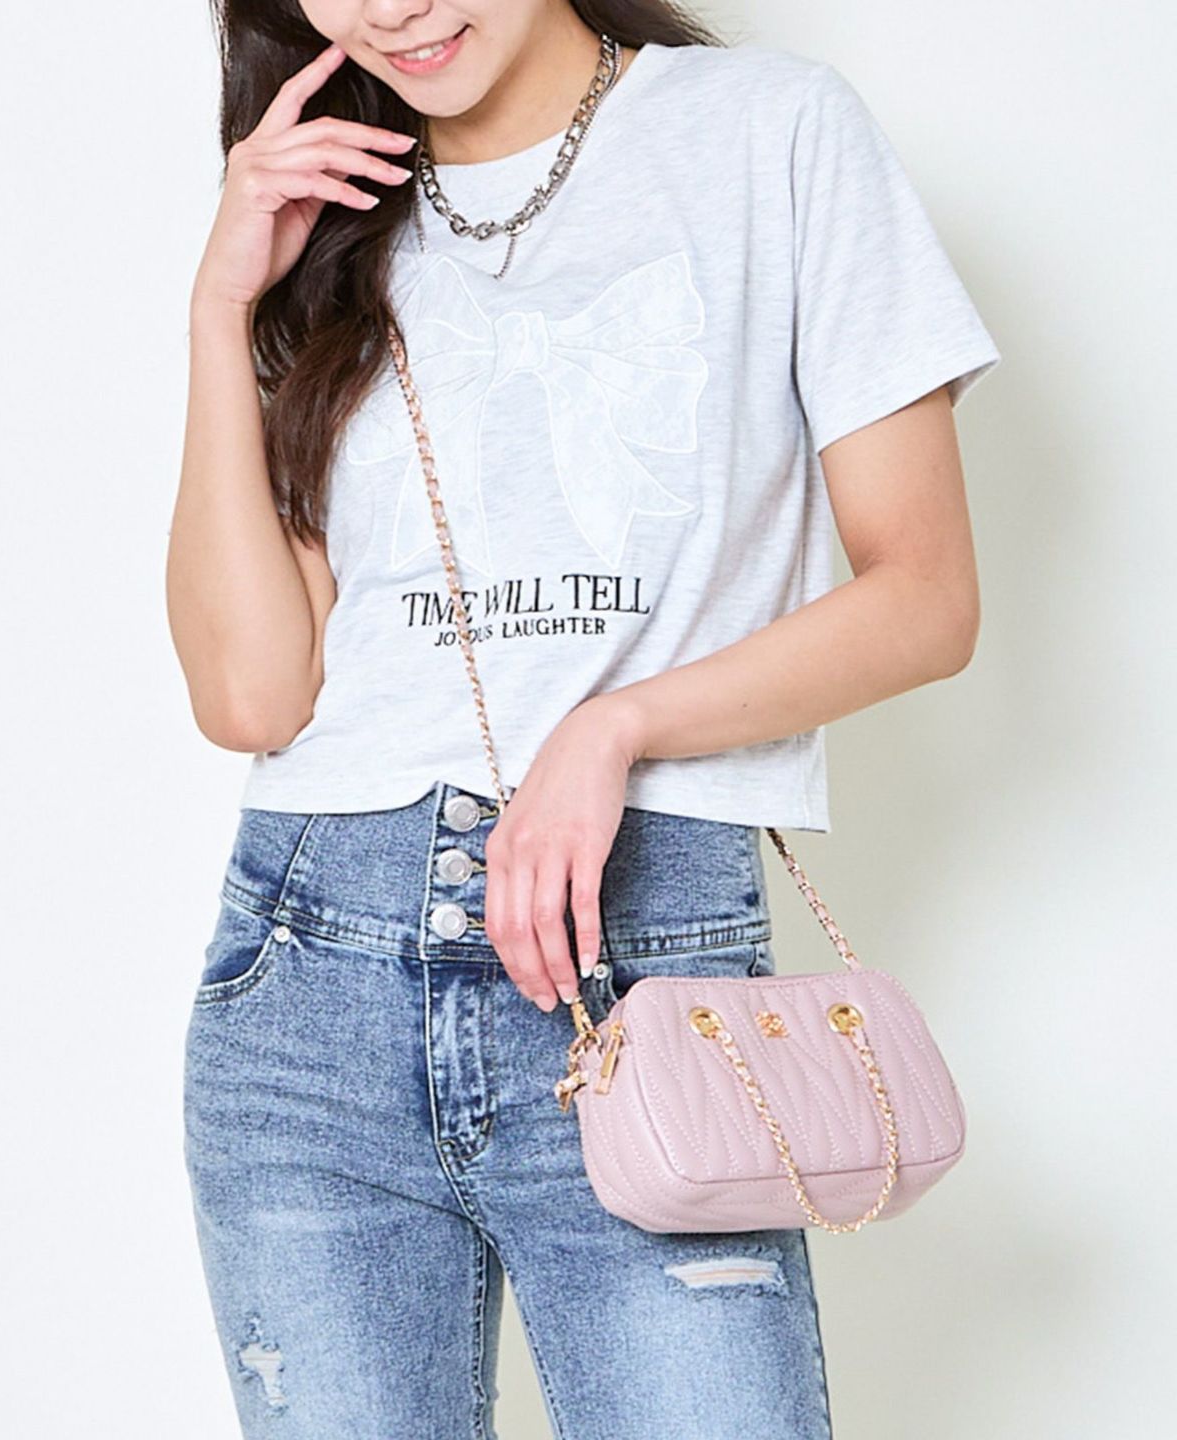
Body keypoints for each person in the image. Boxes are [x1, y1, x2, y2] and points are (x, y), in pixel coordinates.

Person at [166, 2, 1001, 1436]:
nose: (389, 7)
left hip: (644, 968)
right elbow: (252, 696)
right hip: (308, 993)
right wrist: (220, 308)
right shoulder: (329, 214)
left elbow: (926, 597)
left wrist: (612, 727)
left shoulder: (768, 134)